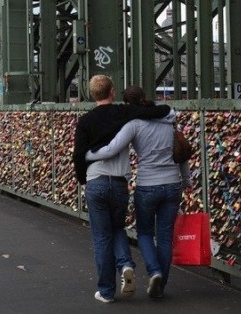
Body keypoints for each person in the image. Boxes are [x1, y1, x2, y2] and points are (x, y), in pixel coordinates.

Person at [72, 75, 172, 303]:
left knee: (101, 237)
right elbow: (155, 112)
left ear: (92, 94)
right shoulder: (122, 113)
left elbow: (78, 154)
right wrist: (166, 107)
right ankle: (126, 264)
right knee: (117, 228)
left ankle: (107, 291)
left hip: (95, 181)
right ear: (112, 92)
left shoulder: (85, 121)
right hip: (118, 183)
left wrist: (83, 179)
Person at [86, 85, 191, 300]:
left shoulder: (133, 124)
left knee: (144, 233)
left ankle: (155, 271)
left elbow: (113, 148)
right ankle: (159, 287)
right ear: (145, 97)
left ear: (127, 105)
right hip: (173, 184)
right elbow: (181, 151)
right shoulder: (169, 119)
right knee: (164, 236)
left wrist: (87, 154)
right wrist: (186, 180)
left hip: (147, 185)